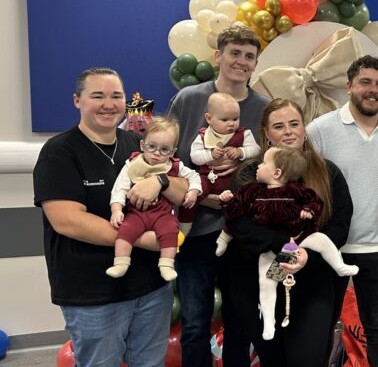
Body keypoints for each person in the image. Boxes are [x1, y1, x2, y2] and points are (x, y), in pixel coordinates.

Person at [33, 68, 188, 366]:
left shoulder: (138, 144)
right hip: (93, 293)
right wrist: (142, 240)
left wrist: (162, 181)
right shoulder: (60, 152)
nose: (109, 104)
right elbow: (68, 220)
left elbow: (183, 189)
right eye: (97, 96)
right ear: (77, 101)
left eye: (116, 96)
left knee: (151, 363)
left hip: (151, 288)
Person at [220, 98, 353, 366]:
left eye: (294, 124)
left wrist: (306, 255)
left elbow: (340, 223)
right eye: (279, 126)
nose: (288, 131)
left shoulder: (328, 172)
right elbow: (239, 223)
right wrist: (285, 246)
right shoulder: (251, 174)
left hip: (313, 281)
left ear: (304, 128)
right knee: (274, 360)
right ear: (267, 134)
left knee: (307, 358)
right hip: (256, 281)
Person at [165, 23, 269, 365]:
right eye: (234, 53)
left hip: (242, 232)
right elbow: (167, 158)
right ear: (218, 56)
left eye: (249, 56)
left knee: (240, 322)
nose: (241, 62)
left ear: (256, 62)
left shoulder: (263, 108)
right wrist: (200, 192)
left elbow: (272, 167)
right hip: (196, 231)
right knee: (196, 322)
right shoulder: (189, 99)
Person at [306, 54, 378, 366]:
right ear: (349, 86)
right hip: (328, 245)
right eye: (365, 82)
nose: (373, 90)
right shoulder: (319, 130)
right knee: (319, 326)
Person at [107, 117, 202, 281]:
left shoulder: (174, 165)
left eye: (164, 149)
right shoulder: (132, 164)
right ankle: (120, 263)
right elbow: (119, 188)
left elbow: (194, 176)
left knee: (171, 232)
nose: (157, 153)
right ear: (142, 145)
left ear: (172, 152)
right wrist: (116, 210)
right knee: (125, 231)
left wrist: (193, 191)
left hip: (163, 214)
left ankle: (166, 265)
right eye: (152, 147)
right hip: (137, 212)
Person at [178, 92, 260, 241]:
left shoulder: (244, 134)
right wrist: (210, 155)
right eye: (225, 119)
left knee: (245, 201)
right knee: (191, 196)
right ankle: (184, 226)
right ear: (209, 118)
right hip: (207, 178)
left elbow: (256, 150)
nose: (231, 124)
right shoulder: (203, 136)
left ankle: (230, 234)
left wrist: (241, 151)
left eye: (235, 119)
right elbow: (194, 157)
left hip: (233, 181)